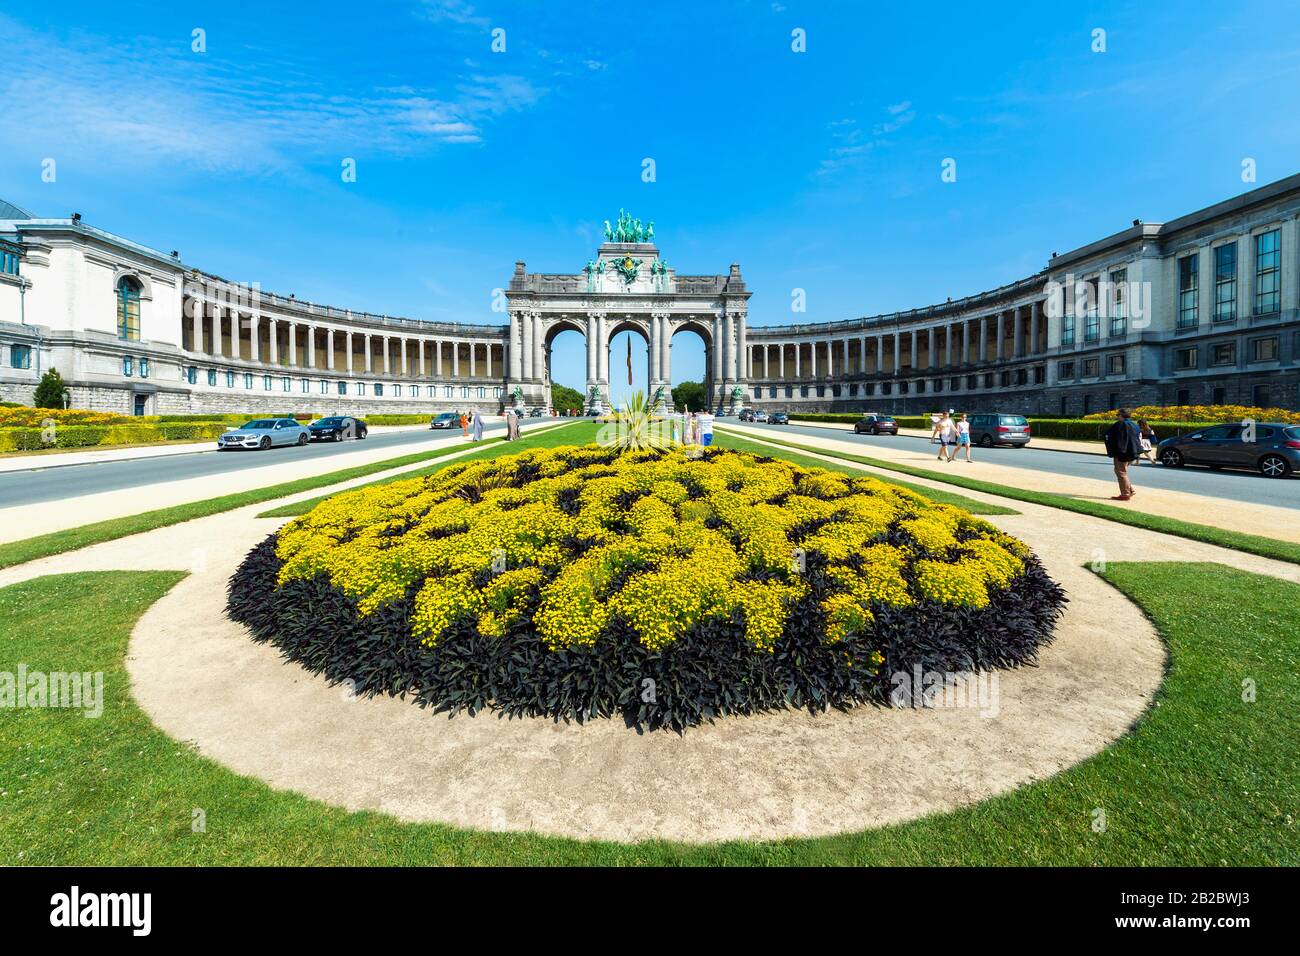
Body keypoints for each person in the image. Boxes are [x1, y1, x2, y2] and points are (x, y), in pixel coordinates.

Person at [1103, 407, 1142, 501]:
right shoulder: (1135, 425)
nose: (1117, 416)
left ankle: (1125, 494)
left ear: (1122, 415)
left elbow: (1114, 438)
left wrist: (1114, 450)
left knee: (1120, 472)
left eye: (1118, 415)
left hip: (1123, 452)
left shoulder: (1120, 425)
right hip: (1134, 451)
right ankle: (1130, 490)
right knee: (1122, 471)